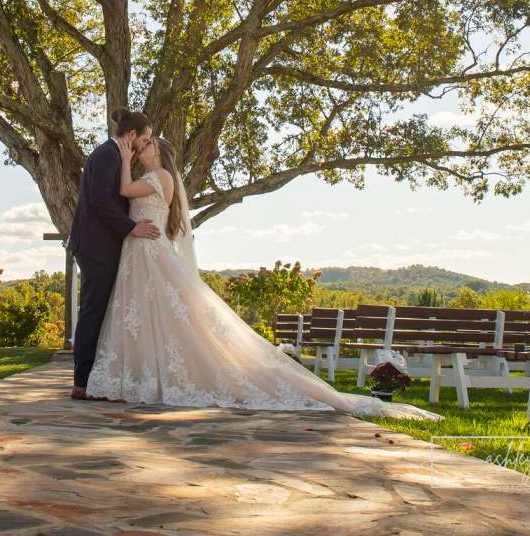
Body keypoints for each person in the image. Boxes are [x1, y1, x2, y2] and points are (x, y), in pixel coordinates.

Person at [84, 135, 442, 421]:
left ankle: (162, 376)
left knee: (169, 315)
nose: (140, 147)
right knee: (148, 316)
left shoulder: (158, 177)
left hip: (150, 252)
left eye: (146, 144)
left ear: (160, 154)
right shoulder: (152, 176)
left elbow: (123, 191)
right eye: (140, 143)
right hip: (140, 253)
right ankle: (145, 375)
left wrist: (123, 155)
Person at [66, 109, 161, 400]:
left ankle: (92, 378)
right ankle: (81, 383)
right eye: (143, 139)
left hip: (101, 245)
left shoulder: (113, 156)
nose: (144, 145)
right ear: (131, 135)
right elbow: (100, 201)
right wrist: (131, 228)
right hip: (96, 246)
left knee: (98, 312)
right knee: (92, 312)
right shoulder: (107, 154)